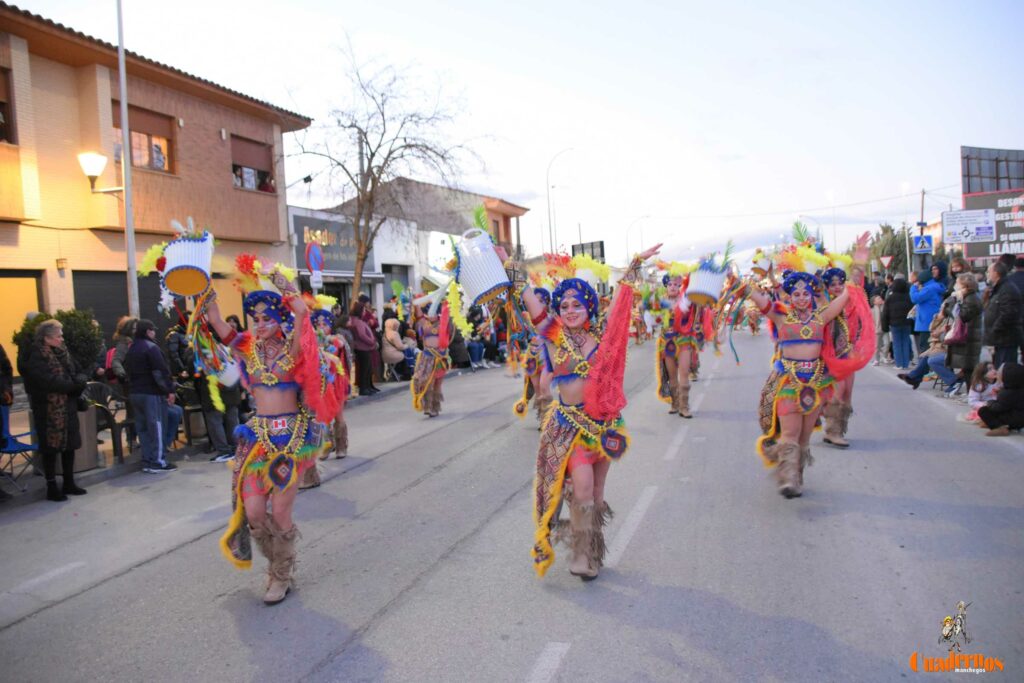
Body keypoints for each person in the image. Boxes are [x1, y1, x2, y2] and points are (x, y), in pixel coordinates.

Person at [522, 244, 661, 581]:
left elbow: (620, 308)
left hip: (604, 428)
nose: (570, 310)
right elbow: (533, 306)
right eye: (563, 305)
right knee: (581, 487)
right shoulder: (554, 338)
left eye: (577, 303)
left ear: (588, 307)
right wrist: (507, 269)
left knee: (595, 494)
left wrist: (635, 264)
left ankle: (593, 551)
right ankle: (580, 556)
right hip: (569, 428)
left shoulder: (604, 339)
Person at [208, 263, 344, 605]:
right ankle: (278, 561)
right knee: (254, 512)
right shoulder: (247, 347)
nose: (260, 325)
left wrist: (282, 283)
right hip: (257, 439)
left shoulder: (293, 349)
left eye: (267, 319)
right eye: (256, 320)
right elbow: (216, 323)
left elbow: (301, 311)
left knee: (280, 513)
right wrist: (201, 288)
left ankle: (280, 575)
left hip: (291, 441)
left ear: (279, 321)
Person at [748, 233, 872, 498]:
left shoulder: (821, 318)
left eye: (806, 292)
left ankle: (795, 473)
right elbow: (759, 299)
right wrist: (741, 283)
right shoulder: (782, 318)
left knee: (804, 439)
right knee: (791, 434)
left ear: (812, 296)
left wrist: (859, 258)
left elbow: (850, 292)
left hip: (814, 385)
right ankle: (788, 479)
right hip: (788, 383)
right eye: (797, 293)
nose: (802, 297)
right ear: (790, 296)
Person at [21, 321, 89, 501]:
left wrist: (79, 381)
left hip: (69, 405)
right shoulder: (37, 355)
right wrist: (73, 386)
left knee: (70, 446)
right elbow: (47, 381)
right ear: (47, 337)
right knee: (51, 449)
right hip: (49, 410)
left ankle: (69, 482)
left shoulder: (64, 353)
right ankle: (51, 487)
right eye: (58, 336)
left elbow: (79, 370)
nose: (62, 338)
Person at [656, 268, 712, 419]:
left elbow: (699, 308)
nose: (673, 287)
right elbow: (655, 319)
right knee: (672, 376)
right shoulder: (661, 302)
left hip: (684, 340)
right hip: (667, 342)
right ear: (666, 286)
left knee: (684, 374)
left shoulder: (686, 300)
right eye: (670, 284)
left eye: (676, 284)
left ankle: (684, 406)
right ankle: (675, 404)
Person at [125, 319, 177, 474]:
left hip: (135, 393)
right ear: (148, 331)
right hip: (151, 393)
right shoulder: (151, 348)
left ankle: (147, 460)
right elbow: (160, 373)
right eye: (153, 330)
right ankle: (158, 461)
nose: (154, 332)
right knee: (156, 426)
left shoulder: (132, 348)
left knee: (143, 428)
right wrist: (169, 390)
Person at [513, 287, 553, 427]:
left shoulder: (550, 319)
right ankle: (543, 418)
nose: (537, 303)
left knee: (544, 387)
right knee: (536, 387)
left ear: (547, 303)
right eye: (535, 300)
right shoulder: (526, 317)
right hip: (532, 354)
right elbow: (521, 333)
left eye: (541, 301)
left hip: (547, 355)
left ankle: (549, 418)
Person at [411, 302, 453, 417]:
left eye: (433, 313)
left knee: (436, 384)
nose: (430, 315)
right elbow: (417, 333)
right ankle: (427, 407)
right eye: (428, 313)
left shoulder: (444, 324)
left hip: (440, 358)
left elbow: (450, 333)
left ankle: (435, 407)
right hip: (426, 358)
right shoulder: (423, 324)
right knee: (425, 382)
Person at [943, 273, 983, 390]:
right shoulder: (966, 298)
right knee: (966, 369)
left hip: (970, 338)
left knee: (969, 368)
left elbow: (963, 316)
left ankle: (972, 392)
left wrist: (952, 303)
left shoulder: (971, 299)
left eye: (957, 283)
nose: (955, 286)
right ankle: (970, 391)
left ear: (965, 285)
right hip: (967, 337)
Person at [983, 261, 1022, 368]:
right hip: (999, 340)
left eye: (989, 271)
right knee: (998, 371)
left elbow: (1008, 314)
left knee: (1004, 371)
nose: (987, 274)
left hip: (1005, 339)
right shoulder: (998, 288)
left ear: (996, 273)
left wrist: (995, 329)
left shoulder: (1007, 289)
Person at [977, 362, 1024, 436]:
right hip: (1020, 419)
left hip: (1013, 419)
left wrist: (990, 402)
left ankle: (999, 427)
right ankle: (1004, 425)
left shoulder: (1008, 393)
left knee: (983, 411)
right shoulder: (1019, 388)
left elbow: (998, 408)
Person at [910, 269, 944, 359]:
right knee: (929, 346)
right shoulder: (934, 287)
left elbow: (915, 298)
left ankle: (925, 369)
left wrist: (913, 287)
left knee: (925, 347)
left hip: (927, 322)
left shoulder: (929, 289)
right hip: (930, 320)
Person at [882, 277, 914, 369]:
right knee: (905, 342)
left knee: (897, 343)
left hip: (894, 324)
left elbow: (885, 313)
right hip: (906, 323)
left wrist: (885, 326)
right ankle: (905, 363)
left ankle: (899, 364)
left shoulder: (890, 298)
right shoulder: (908, 297)